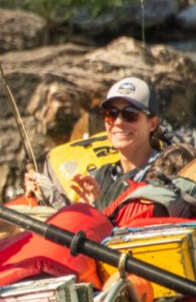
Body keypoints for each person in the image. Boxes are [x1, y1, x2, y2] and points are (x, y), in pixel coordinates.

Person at [26, 76, 172, 214]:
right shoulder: (102, 176)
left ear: (152, 124)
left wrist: (99, 209)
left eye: (130, 114)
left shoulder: (168, 170)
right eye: (111, 114)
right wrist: (44, 195)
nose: (119, 122)